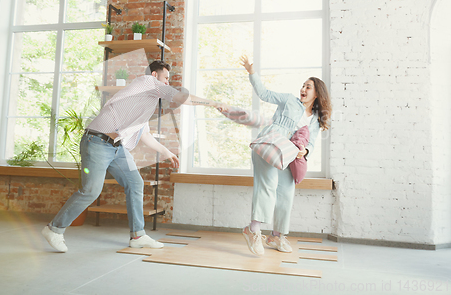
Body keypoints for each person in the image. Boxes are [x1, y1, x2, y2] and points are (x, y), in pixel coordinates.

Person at [42, 60, 227, 252]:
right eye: (165, 78)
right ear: (155, 75)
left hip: (117, 147)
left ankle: (138, 235)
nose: (166, 83)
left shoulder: (145, 103)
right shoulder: (147, 82)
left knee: (135, 183)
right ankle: (54, 229)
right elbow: (181, 97)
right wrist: (213, 103)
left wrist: (166, 152)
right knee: (91, 191)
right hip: (97, 142)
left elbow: (144, 134)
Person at [239, 55, 331, 256]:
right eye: (303, 86)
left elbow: (312, 143)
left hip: (290, 155)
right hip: (270, 145)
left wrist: (304, 151)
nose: (303, 90)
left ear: (317, 93)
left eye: (308, 87)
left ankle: (276, 236)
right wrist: (252, 72)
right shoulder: (289, 99)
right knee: (268, 185)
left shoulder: (315, 120)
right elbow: (264, 93)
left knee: (286, 192)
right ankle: (252, 230)